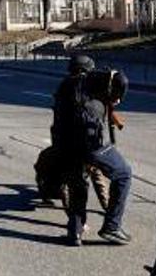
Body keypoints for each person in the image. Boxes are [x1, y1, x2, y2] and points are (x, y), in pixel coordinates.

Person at [51, 54, 133, 246]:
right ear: (89, 68)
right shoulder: (90, 79)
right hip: (91, 144)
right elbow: (121, 79)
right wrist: (118, 96)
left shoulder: (63, 86)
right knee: (123, 173)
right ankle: (112, 226)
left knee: (78, 185)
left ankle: (75, 233)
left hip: (65, 146)